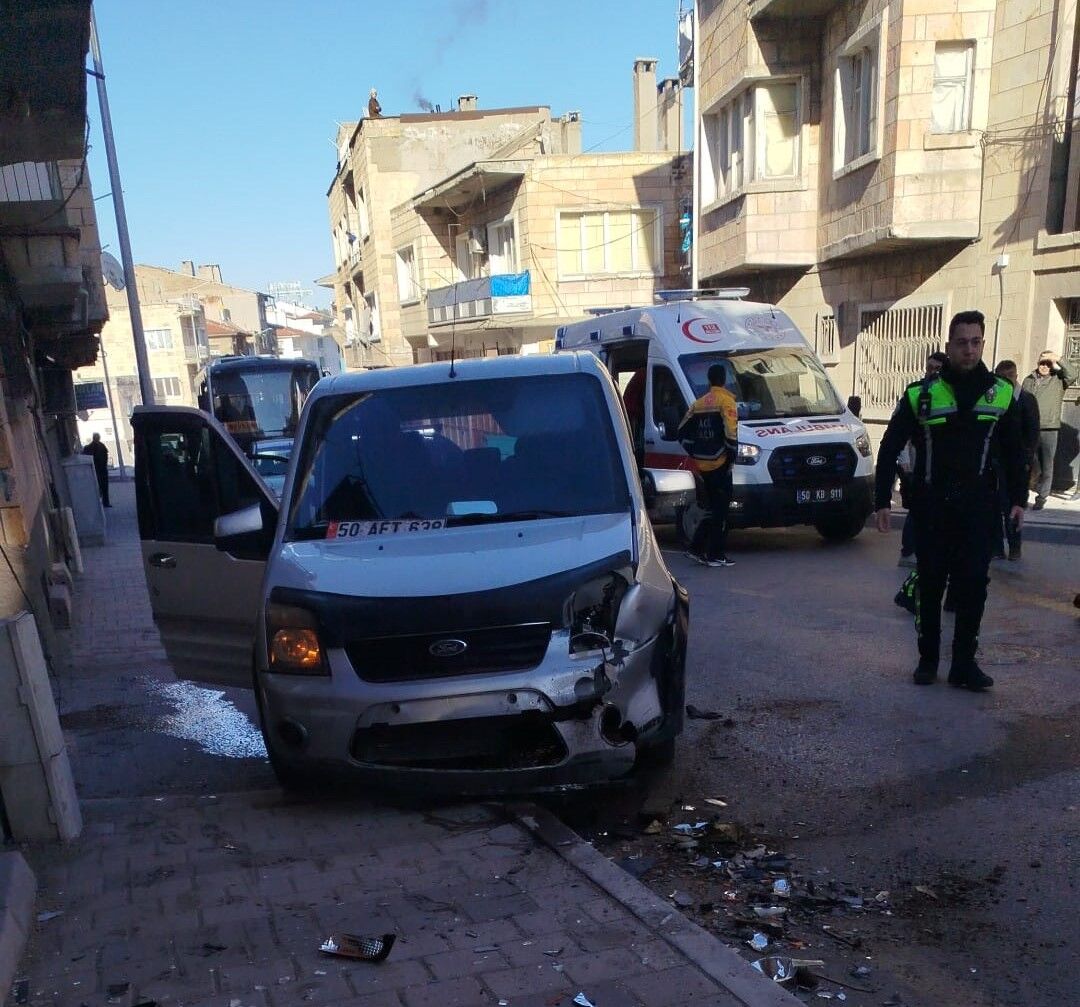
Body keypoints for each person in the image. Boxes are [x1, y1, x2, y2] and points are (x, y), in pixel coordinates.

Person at [875, 310, 1027, 691]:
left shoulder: (1001, 393)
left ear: (982, 344)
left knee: (974, 585)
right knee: (930, 584)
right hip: (932, 507)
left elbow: (1014, 452)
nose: (969, 350)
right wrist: (881, 500)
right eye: (962, 343)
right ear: (949, 346)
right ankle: (928, 661)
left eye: (976, 342)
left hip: (978, 507)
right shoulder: (920, 394)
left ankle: (963, 664)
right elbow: (890, 447)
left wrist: (1019, 500)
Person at [678, 363, 739, 568]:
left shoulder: (699, 403)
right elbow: (731, 433)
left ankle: (696, 549)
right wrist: (731, 457)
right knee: (721, 511)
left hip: (703, 463)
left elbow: (682, 432)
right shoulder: (727, 401)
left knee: (711, 509)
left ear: (709, 380)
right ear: (723, 380)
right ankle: (715, 554)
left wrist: (694, 451)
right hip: (720, 464)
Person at [898, 351, 948, 566]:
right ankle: (908, 552)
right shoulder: (916, 393)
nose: (933, 372)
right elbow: (899, 432)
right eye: (930, 368)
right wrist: (904, 460)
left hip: (942, 468)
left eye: (937, 369)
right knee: (916, 510)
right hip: (917, 465)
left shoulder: (950, 395)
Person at [993, 360, 1040, 560]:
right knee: (995, 505)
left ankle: (1014, 546)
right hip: (997, 461)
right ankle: (996, 547)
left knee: (1014, 505)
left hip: (1018, 463)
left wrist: (1028, 459)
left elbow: (1032, 432)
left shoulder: (1027, 400)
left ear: (1015, 377)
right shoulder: (994, 398)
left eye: (1007, 378)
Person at [1021, 349, 1075, 509]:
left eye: (1047, 363)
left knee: (1047, 465)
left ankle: (1041, 498)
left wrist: (1057, 358)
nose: (1044, 366)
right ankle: (1022, 496)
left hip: (1049, 428)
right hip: (1030, 428)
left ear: (1052, 365)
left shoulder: (1058, 379)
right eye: (1041, 363)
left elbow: (1073, 374)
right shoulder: (1028, 380)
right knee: (1028, 464)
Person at [82, 433, 111, 508]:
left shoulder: (101, 446)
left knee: (104, 487)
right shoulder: (89, 447)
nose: (98, 439)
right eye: (97, 437)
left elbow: (105, 456)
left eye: (98, 437)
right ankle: (102, 503)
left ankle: (105, 502)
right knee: (97, 488)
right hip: (96, 470)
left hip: (101, 470)